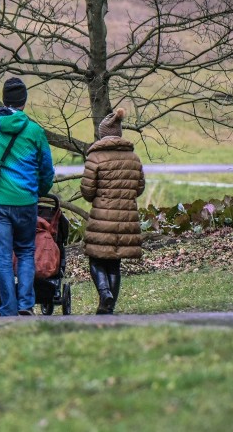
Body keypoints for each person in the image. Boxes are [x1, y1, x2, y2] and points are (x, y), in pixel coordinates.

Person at [0, 78, 55, 316]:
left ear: (4, 99)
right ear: (24, 101)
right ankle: (26, 305)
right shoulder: (35, 131)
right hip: (26, 200)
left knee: (3, 256)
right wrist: (40, 191)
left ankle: (8, 308)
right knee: (26, 251)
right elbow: (46, 169)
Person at [80, 108, 145, 314]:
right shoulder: (133, 158)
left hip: (102, 217)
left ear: (102, 134)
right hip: (125, 218)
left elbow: (88, 192)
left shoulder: (96, 158)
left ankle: (104, 293)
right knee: (115, 262)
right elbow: (139, 188)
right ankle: (108, 307)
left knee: (96, 257)